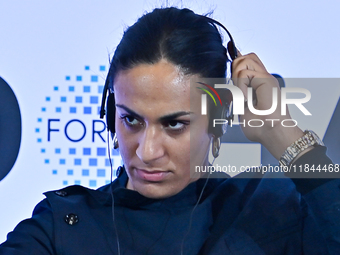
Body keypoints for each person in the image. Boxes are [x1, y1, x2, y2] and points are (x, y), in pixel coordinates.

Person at [0, 7, 339, 255]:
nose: (147, 151)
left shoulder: (270, 213)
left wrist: (285, 135)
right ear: (109, 113)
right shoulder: (63, 227)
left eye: (174, 124)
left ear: (217, 116)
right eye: (131, 120)